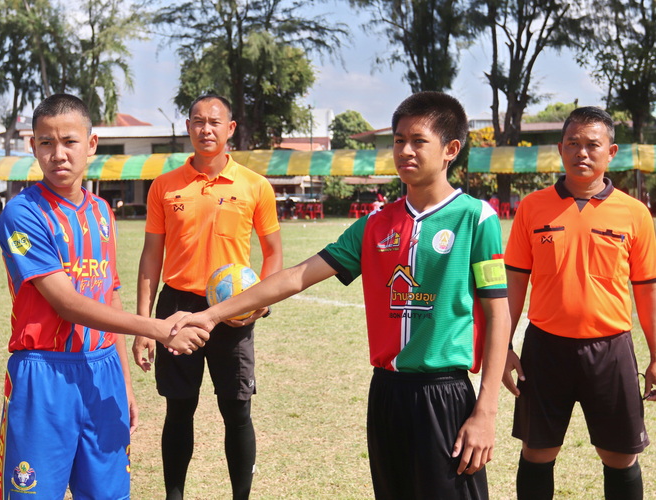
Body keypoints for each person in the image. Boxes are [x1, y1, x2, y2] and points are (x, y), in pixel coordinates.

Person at [171, 91, 511, 499]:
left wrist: (486, 411)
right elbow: (296, 277)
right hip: (386, 392)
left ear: (450, 149)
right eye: (399, 140)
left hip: (445, 393)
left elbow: (499, 315)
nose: (405, 150)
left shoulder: (476, 218)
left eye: (419, 141)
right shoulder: (375, 225)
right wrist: (212, 315)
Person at [0, 93, 209, 500]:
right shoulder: (22, 214)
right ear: (33, 146)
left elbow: (109, 295)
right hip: (44, 375)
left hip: (102, 371)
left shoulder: (101, 212)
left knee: (108, 494)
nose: (58, 154)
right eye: (46, 142)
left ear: (91, 144)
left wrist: (123, 384)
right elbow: (67, 304)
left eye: (69, 141)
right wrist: (159, 329)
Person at [131, 94, 283, 500]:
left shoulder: (255, 186)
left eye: (215, 122)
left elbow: (273, 253)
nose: (206, 129)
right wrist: (144, 325)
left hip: (234, 311)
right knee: (179, 408)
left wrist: (260, 303)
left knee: (237, 410)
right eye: (198, 121)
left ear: (230, 128)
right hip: (177, 308)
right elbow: (151, 257)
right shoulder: (164, 186)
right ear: (188, 127)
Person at [502, 106, 656, 500]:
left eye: (592, 144)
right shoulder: (532, 207)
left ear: (611, 152)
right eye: (572, 143)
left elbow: (647, 291)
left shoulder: (635, 214)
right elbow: (514, 283)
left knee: (620, 456)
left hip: (611, 349)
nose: (581, 153)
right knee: (537, 452)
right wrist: (503, 346)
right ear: (560, 149)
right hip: (544, 348)